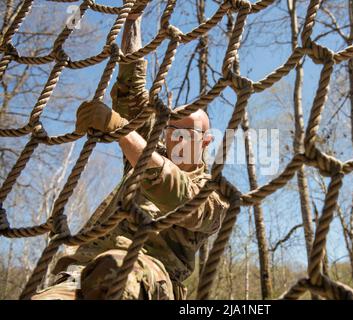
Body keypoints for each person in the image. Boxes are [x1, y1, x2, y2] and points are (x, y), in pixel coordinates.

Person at [31, 5, 229, 300]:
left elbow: (179, 193)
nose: (176, 139)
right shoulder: (147, 150)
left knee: (118, 270)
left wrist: (123, 131)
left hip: (148, 277)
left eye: (188, 133)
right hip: (80, 274)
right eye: (171, 131)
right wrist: (133, 21)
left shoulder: (215, 195)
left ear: (206, 141)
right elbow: (132, 91)